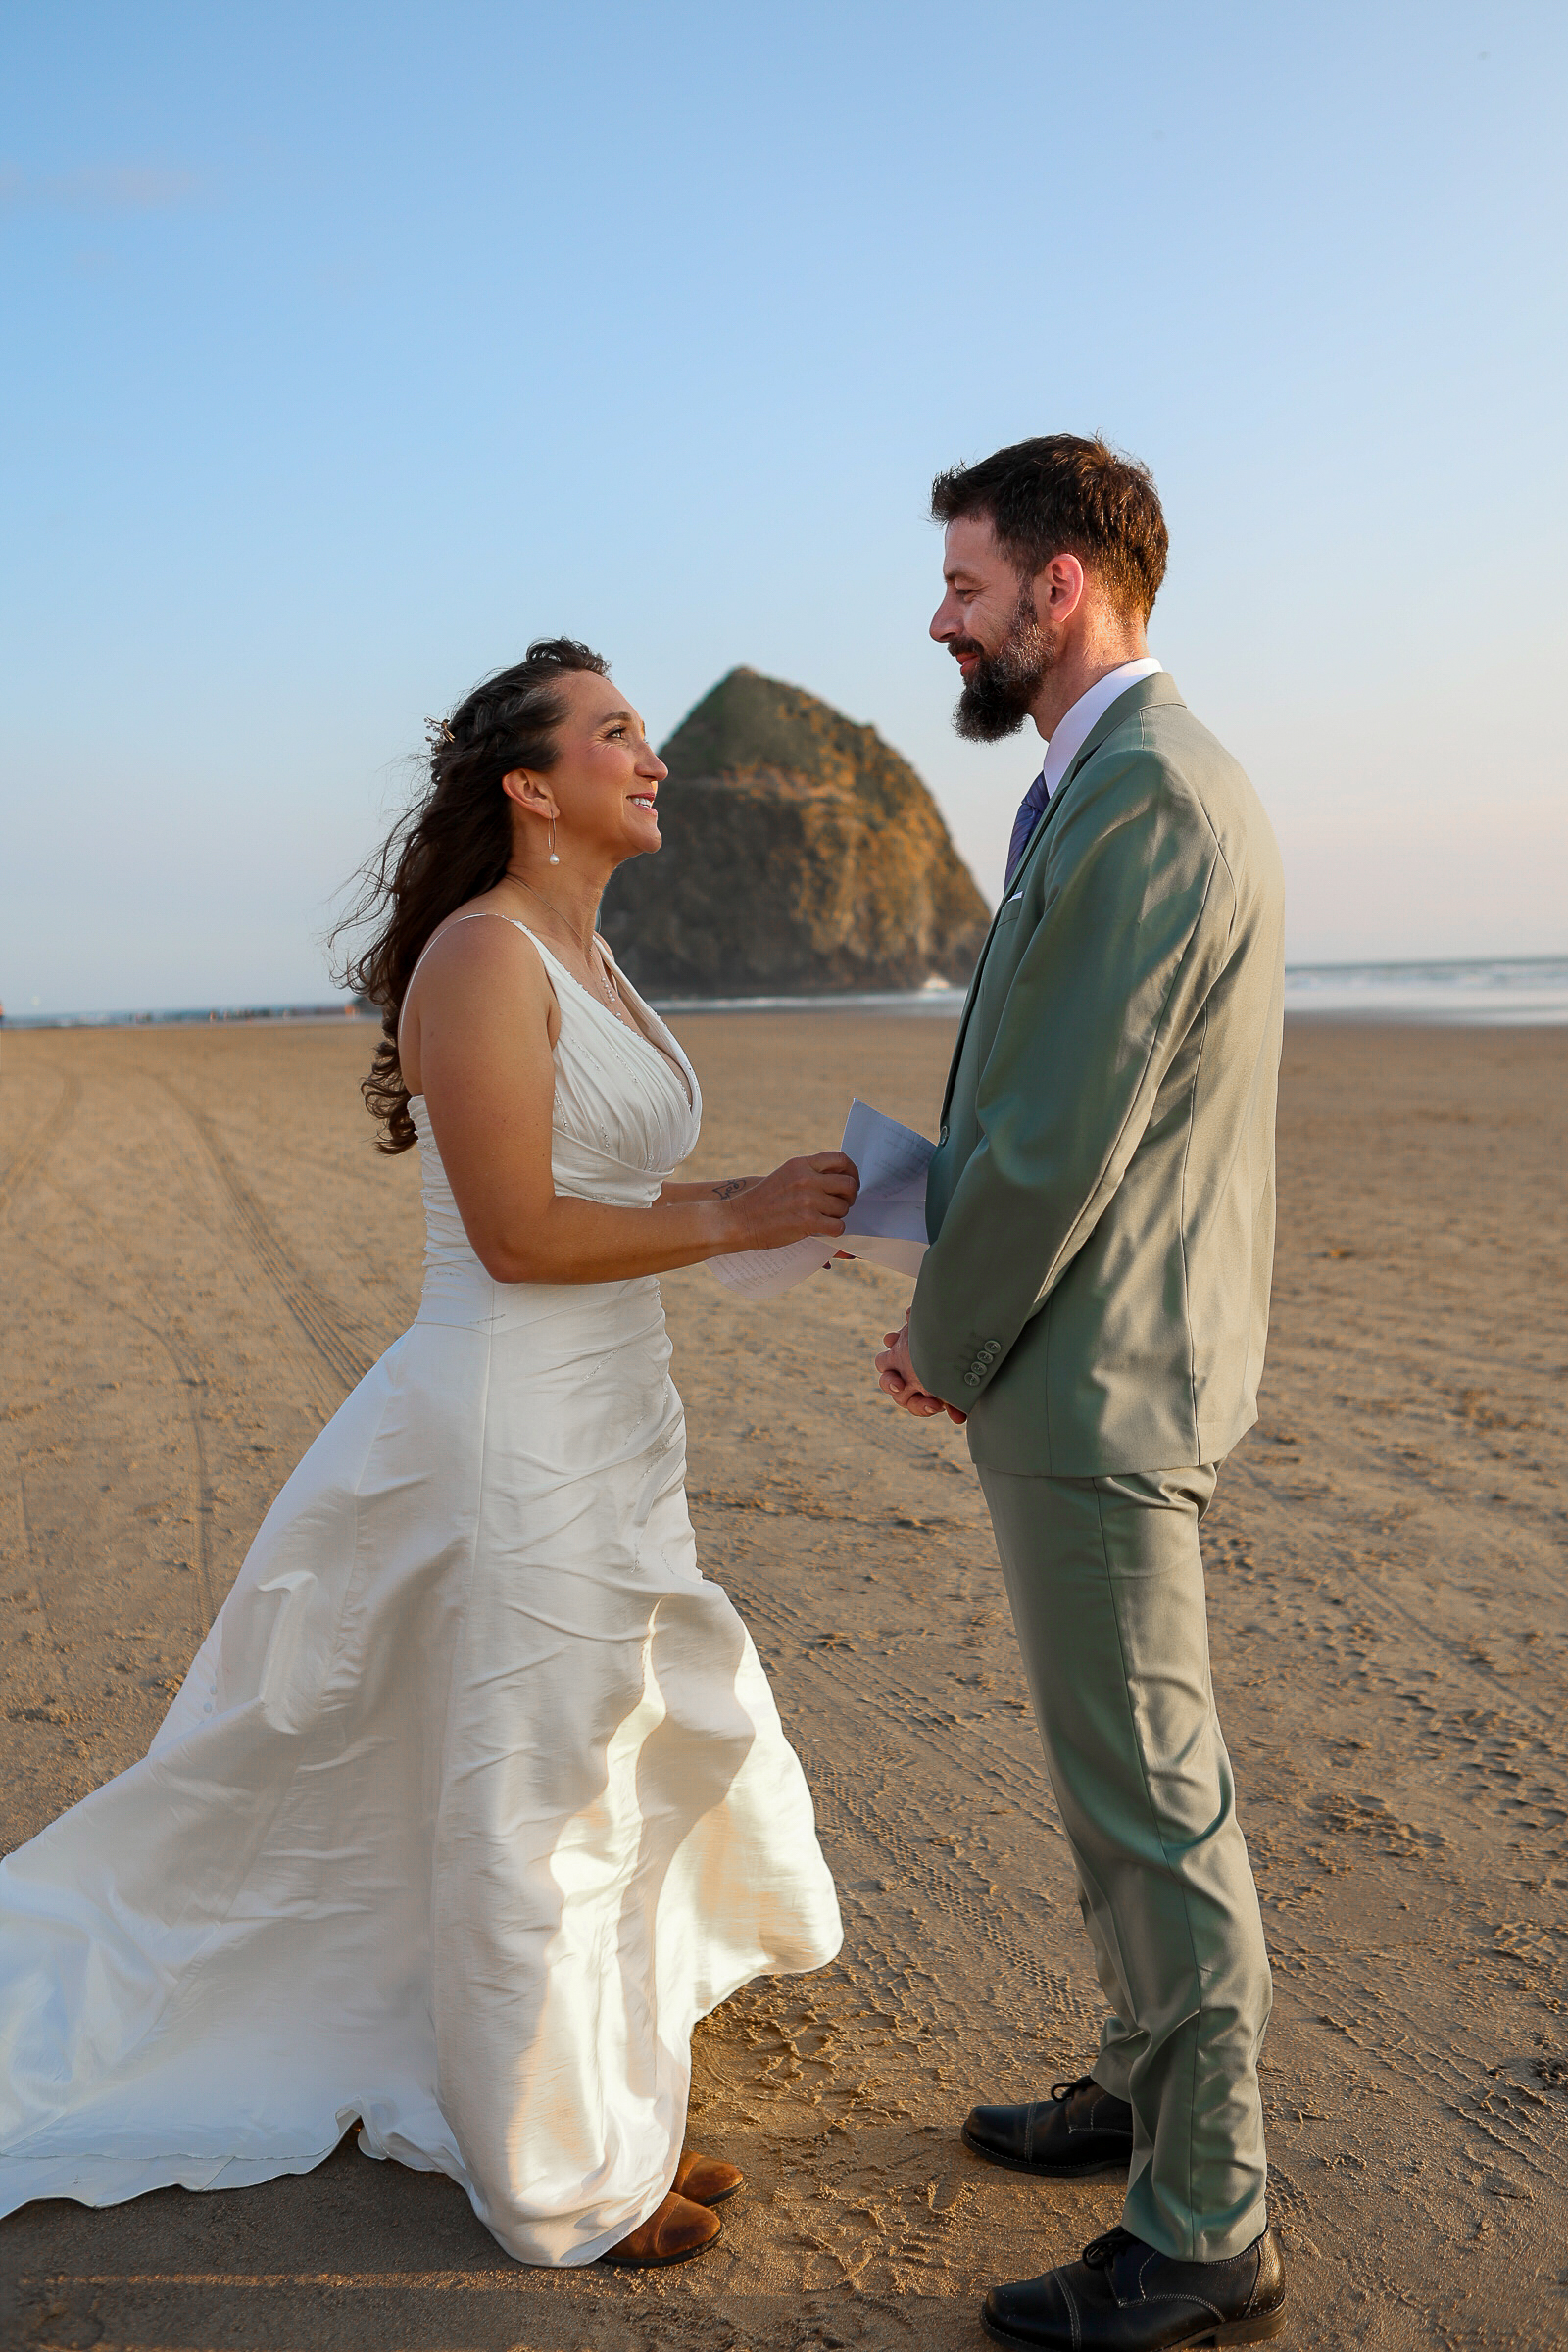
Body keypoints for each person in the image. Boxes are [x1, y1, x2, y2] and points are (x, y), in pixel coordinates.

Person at [0, 638, 857, 2270]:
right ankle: (556, 2173)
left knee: (599, 1749)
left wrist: (778, 1209)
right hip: (510, 1423)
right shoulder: (481, 954)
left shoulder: (592, 957)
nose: (650, 759)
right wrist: (727, 1214)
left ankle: (602, 2093)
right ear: (532, 785)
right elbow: (520, 1236)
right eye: (617, 734)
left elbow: (613, 1200)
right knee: (528, 1781)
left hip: (619, 1414)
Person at [875, 439, 1289, 2349]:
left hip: (1097, 1373)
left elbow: (1052, 1137)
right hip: (1095, 1355)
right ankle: (1135, 2088)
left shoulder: (1143, 796)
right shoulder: (1104, 782)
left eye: (963, 582)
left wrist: (938, 1342)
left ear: (1062, 588)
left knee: (1152, 1804)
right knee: (1106, 1774)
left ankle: (1202, 2227)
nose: (938, 615)